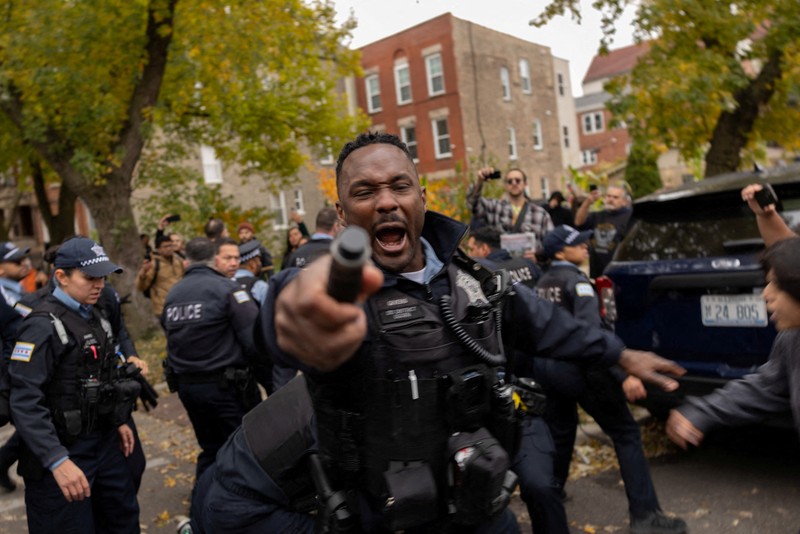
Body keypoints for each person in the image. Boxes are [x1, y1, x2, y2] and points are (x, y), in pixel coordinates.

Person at [258, 131, 684, 532]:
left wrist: (622, 355)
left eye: (399, 187)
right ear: (342, 212)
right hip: (384, 517)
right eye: (365, 192)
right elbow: (288, 316)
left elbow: (549, 325)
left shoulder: (475, 281)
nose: (385, 202)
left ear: (422, 198)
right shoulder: (337, 296)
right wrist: (288, 314)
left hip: (480, 507)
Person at [534, 225, 687, 534]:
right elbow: (591, 338)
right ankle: (646, 516)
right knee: (626, 433)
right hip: (584, 372)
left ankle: (550, 495)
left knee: (561, 434)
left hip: (549, 371)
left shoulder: (543, 282)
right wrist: (621, 375)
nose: (586, 246)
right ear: (561, 252)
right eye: (578, 243)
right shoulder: (579, 284)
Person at [8, 237, 141, 533]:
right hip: (63, 453)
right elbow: (25, 401)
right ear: (61, 277)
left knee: (122, 522)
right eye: (90, 277)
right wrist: (56, 461)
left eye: (103, 277)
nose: (99, 284)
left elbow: (98, 377)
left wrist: (115, 419)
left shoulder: (89, 313)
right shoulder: (41, 326)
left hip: (103, 444)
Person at [666, 184, 800, 453]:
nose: (765, 296)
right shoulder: (792, 339)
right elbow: (766, 387)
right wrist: (702, 411)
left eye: (776, 284)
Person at [162, 237, 265, 489]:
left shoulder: (173, 293)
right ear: (214, 259)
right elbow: (255, 340)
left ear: (186, 260)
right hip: (227, 389)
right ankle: (242, 508)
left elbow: (170, 334)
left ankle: (202, 504)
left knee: (209, 449)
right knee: (245, 449)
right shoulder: (228, 289)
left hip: (189, 388)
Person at [467, 167, 553, 260]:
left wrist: (538, 256)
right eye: (510, 181)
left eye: (518, 180)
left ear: (525, 184)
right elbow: (473, 204)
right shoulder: (496, 207)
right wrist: (479, 181)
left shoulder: (540, 214)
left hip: (530, 268)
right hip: (502, 267)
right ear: (506, 185)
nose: (514, 183)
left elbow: (552, 244)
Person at [574, 183, 633, 278]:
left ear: (624, 201)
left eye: (615, 197)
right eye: (608, 196)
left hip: (620, 272)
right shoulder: (598, 215)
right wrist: (588, 202)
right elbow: (578, 222)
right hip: (597, 273)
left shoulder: (630, 217)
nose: (610, 199)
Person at [466, 226, 541, 288]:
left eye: (472, 249)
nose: (469, 254)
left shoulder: (486, 273)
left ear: (484, 249)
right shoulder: (528, 263)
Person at [135, 234, 185, 319]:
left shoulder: (179, 261)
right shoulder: (153, 264)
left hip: (181, 306)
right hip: (163, 309)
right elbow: (140, 287)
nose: (169, 248)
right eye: (165, 246)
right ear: (158, 249)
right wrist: (143, 272)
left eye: (170, 245)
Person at [234, 239, 269, 306]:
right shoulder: (259, 286)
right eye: (258, 260)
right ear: (252, 264)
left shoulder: (226, 283)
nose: (260, 263)